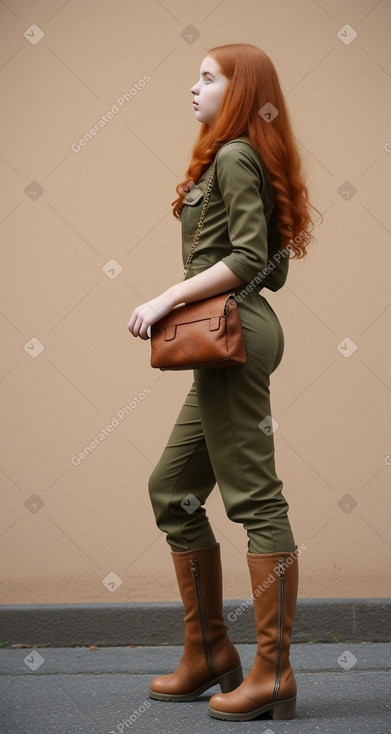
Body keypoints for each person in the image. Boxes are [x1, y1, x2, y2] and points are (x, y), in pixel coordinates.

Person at [127, 43, 319, 722]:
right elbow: (271, 259)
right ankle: (209, 652)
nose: (193, 87)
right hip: (230, 336)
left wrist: (165, 299)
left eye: (207, 78)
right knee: (173, 489)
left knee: (253, 497)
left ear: (239, 92)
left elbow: (247, 258)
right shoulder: (234, 156)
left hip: (233, 336)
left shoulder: (235, 155)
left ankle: (273, 670)